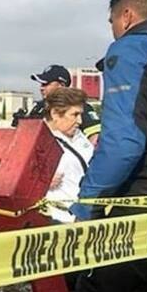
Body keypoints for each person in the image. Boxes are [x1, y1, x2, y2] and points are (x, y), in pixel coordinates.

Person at [69, 0, 147, 292]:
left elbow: (122, 145)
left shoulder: (131, 49)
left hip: (145, 200)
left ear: (126, 17)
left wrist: (87, 203)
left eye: (111, 22)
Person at [14, 64, 102, 147]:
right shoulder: (38, 107)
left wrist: (86, 154)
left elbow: (95, 136)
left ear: (61, 85)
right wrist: (21, 126)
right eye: (41, 84)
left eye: (45, 84)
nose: (41, 88)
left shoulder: (79, 107)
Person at [41, 87, 94, 224]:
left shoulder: (79, 136)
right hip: (57, 220)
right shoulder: (36, 141)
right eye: (74, 114)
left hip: (85, 217)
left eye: (80, 114)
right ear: (55, 113)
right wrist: (41, 182)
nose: (80, 121)